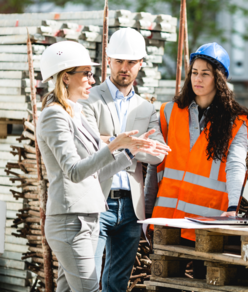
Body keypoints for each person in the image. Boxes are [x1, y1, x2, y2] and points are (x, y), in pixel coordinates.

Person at [36, 41, 169, 292]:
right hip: (70, 221)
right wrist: (113, 145)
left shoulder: (73, 113)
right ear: (66, 77)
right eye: (86, 73)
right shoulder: (54, 115)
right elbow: (74, 171)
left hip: (85, 218)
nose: (92, 78)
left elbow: (96, 172)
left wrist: (129, 151)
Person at [79, 28, 167, 291]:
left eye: (131, 62)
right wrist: (131, 143)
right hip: (96, 200)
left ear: (141, 64)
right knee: (87, 280)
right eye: (119, 61)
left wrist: (112, 141)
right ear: (108, 61)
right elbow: (86, 148)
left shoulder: (147, 107)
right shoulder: (88, 100)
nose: (124, 68)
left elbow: (157, 154)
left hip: (130, 207)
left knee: (116, 283)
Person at [150, 42, 248, 242]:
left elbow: (236, 165)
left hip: (207, 221)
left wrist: (233, 207)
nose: (197, 78)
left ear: (219, 78)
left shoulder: (236, 121)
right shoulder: (168, 112)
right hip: (167, 220)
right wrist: (145, 212)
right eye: (194, 72)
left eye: (205, 73)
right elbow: (154, 167)